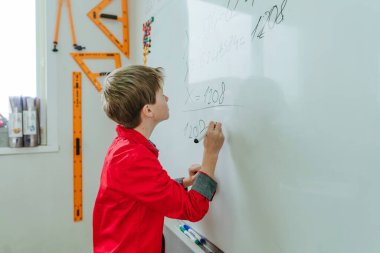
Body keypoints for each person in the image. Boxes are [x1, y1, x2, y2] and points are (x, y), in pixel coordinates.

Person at [93, 65, 224, 253]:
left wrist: (185, 182)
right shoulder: (133, 157)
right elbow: (192, 209)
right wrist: (210, 155)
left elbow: (144, 191)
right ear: (148, 110)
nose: (167, 98)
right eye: (161, 94)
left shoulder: (124, 147)